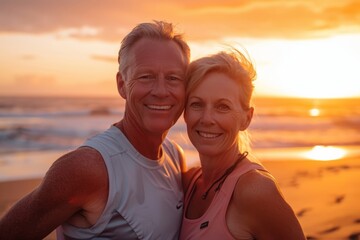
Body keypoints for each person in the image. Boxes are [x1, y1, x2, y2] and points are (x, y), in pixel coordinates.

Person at [0, 20, 190, 239]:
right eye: (146, 76)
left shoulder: (176, 156)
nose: (161, 90)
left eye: (173, 78)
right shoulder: (89, 168)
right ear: (122, 85)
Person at [180, 49, 306, 239]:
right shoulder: (189, 183)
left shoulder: (255, 190)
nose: (207, 119)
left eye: (223, 107)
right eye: (197, 104)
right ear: (185, 113)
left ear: (246, 118)